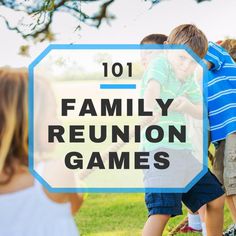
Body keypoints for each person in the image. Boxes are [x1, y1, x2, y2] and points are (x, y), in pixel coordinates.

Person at [141, 24, 225, 236]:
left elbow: (199, 110)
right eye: (182, 58)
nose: (186, 66)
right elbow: (152, 86)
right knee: (161, 211)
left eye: (193, 62)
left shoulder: (187, 79)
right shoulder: (160, 65)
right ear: (167, 49)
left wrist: (186, 105)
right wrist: (150, 108)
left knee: (215, 198)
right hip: (160, 152)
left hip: (183, 153)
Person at [0, 67, 83, 236]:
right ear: (29, 121)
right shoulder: (54, 173)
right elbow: (74, 205)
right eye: (52, 114)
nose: (58, 123)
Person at [204, 39, 236, 236]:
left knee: (235, 181)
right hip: (221, 137)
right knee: (224, 186)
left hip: (234, 127)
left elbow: (201, 63)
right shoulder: (202, 80)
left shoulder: (213, 50)